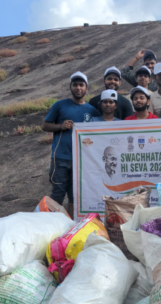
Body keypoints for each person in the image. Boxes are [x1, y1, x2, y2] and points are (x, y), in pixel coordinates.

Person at [42, 71, 100, 218]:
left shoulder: (92, 111)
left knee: (76, 195)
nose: (78, 88)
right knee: (58, 193)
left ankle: (70, 224)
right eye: (75, 85)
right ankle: (50, 223)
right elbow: (45, 125)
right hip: (60, 158)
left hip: (81, 160)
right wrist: (60, 126)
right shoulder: (60, 105)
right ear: (70, 87)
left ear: (87, 89)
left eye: (81, 85)